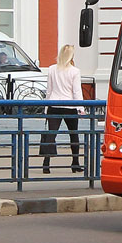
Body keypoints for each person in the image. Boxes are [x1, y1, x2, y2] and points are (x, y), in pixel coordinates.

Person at [41, 44, 85, 174]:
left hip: (54, 105)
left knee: (51, 135)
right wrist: (81, 107)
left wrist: (46, 106)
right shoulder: (74, 71)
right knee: (73, 134)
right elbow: (77, 91)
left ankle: (46, 163)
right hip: (69, 106)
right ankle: (75, 163)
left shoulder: (52, 69)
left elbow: (49, 90)